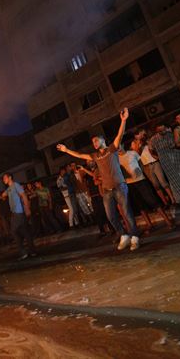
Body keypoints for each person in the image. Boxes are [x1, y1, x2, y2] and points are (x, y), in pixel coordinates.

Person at [56, 108, 141, 252]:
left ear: (103, 140)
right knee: (111, 216)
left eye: (96, 140)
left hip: (120, 186)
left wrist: (123, 120)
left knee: (126, 213)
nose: (94, 143)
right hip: (107, 190)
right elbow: (80, 155)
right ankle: (123, 235)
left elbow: (119, 135)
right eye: (93, 142)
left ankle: (135, 237)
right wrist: (66, 150)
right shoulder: (95, 156)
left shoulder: (111, 149)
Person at [118, 144, 175, 231]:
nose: (117, 148)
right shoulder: (116, 159)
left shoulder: (132, 153)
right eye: (115, 147)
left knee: (153, 200)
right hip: (129, 183)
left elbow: (141, 164)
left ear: (122, 145)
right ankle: (149, 224)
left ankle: (168, 221)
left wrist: (140, 172)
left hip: (141, 181)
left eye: (118, 146)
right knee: (140, 204)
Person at [0, 173, 36, 260]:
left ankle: (23, 252)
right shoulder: (9, 189)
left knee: (13, 231)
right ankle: (32, 251)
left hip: (18, 213)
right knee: (25, 232)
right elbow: (1, 196)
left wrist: (27, 208)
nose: (3, 180)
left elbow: (24, 195)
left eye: (5, 178)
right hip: (15, 214)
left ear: (10, 177)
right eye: (3, 179)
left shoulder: (16, 185)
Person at [148, 123, 180, 205]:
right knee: (174, 180)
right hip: (166, 162)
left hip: (177, 158)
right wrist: (156, 157)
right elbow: (150, 149)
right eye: (160, 130)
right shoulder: (153, 139)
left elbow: (177, 144)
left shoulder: (171, 135)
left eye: (163, 129)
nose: (162, 131)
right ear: (156, 130)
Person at [131, 128, 173, 205]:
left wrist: (145, 140)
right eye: (138, 134)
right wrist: (139, 144)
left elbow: (154, 148)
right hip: (146, 166)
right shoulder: (134, 143)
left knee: (163, 182)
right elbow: (136, 154)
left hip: (155, 162)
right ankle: (165, 202)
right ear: (135, 136)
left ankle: (173, 199)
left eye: (140, 133)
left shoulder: (148, 139)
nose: (140, 135)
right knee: (156, 185)